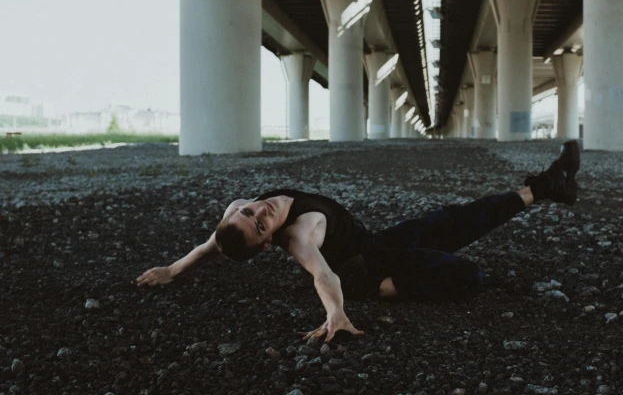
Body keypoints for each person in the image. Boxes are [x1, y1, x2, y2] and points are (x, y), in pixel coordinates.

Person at [135, 140, 580, 342]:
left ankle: (544, 188)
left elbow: (210, 247)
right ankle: (388, 289)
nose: (259, 212)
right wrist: (337, 313)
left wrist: (172, 271)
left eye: (250, 212)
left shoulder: (236, 210)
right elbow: (323, 274)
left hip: (373, 242)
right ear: (268, 241)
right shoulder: (297, 235)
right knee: (466, 275)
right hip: (364, 272)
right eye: (259, 227)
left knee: (449, 220)